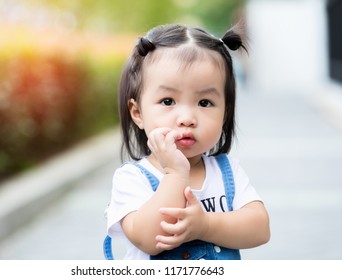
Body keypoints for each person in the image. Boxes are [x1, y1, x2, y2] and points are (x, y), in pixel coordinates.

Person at [105, 22, 270, 260]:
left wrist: (206, 225)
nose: (187, 119)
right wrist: (174, 173)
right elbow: (150, 240)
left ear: (225, 112)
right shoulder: (132, 179)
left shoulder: (227, 171)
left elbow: (260, 229)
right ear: (138, 112)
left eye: (204, 103)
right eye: (168, 101)